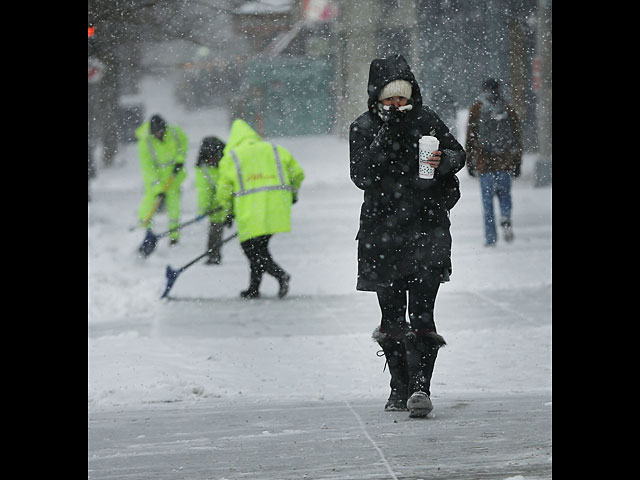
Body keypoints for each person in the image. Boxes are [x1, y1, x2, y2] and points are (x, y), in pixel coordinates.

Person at [349, 54, 466, 418]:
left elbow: (457, 153)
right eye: (390, 99)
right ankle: (398, 387)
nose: (398, 105)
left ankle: (420, 387)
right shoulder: (364, 128)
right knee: (392, 319)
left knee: (423, 316)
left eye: (403, 97)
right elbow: (362, 176)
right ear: (377, 98)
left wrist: (442, 161)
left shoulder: (427, 119)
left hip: (426, 233)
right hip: (382, 237)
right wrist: (386, 136)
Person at [216, 119, 304, 299]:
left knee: (250, 248)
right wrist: (292, 194)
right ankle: (254, 288)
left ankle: (280, 275)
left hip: (251, 211)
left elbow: (224, 191)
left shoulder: (232, 157)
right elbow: (298, 173)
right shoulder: (273, 149)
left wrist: (228, 212)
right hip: (277, 207)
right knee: (260, 248)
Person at [465, 78, 522, 246]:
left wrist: (470, 162)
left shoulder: (477, 109)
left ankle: (490, 238)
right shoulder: (507, 108)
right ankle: (505, 216)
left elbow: (470, 138)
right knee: (505, 195)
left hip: (485, 163)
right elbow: (517, 137)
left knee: (487, 203)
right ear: (499, 89)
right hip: (505, 161)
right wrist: (517, 162)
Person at [136, 114, 188, 245]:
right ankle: (142, 233)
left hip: (173, 178)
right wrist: (158, 189)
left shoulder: (175, 132)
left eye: (161, 131)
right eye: (156, 132)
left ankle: (174, 237)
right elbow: (148, 169)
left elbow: (183, 144)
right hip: (155, 179)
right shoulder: (145, 143)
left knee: (174, 208)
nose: (160, 134)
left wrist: (180, 160)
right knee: (148, 206)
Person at [195, 136, 228, 264]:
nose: (213, 160)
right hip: (216, 207)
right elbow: (204, 193)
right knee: (215, 229)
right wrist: (202, 210)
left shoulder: (228, 163)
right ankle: (213, 255)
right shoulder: (203, 170)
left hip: (232, 202)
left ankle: (213, 255)